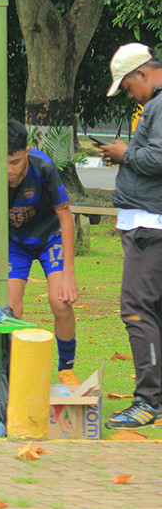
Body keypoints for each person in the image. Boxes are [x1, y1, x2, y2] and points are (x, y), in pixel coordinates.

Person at [0, 120, 79, 384]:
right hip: (15, 244)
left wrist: (69, 273)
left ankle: (66, 368)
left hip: (50, 238)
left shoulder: (44, 168)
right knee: (10, 309)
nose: (10, 170)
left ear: (26, 151)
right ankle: (12, 375)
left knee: (59, 301)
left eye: (16, 162)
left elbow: (66, 218)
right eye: (3, 162)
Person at [99, 43, 162, 428]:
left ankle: (147, 401)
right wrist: (124, 153)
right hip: (147, 222)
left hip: (148, 226)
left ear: (141, 73)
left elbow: (159, 158)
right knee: (152, 312)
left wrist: (127, 154)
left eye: (126, 87)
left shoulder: (159, 105)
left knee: (137, 310)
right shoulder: (153, 106)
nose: (128, 94)